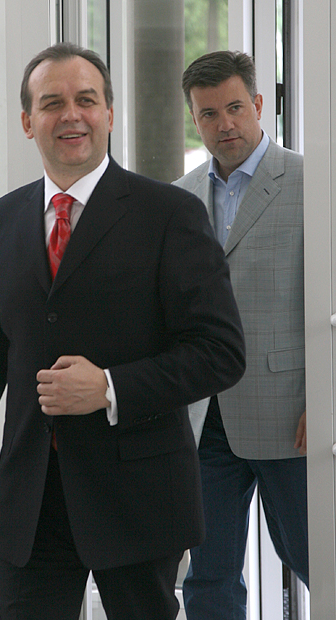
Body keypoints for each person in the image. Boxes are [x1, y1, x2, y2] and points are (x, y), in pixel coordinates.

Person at [0, 43, 245, 620]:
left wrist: (108, 387)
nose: (71, 114)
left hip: (139, 498)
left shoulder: (170, 215)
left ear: (108, 114)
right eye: (52, 103)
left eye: (86, 99)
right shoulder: (0, 222)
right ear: (28, 121)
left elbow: (221, 353)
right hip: (32, 500)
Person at [173, 50, 307, 619]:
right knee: (208, 576)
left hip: (291, 416)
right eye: (208, 114)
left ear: (258, 104)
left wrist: (327, 401)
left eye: (234, 108)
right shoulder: (178, 197)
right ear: (194, 119)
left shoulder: (312, 181)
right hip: (205, 419)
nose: (224, 124)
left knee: (312, 555)